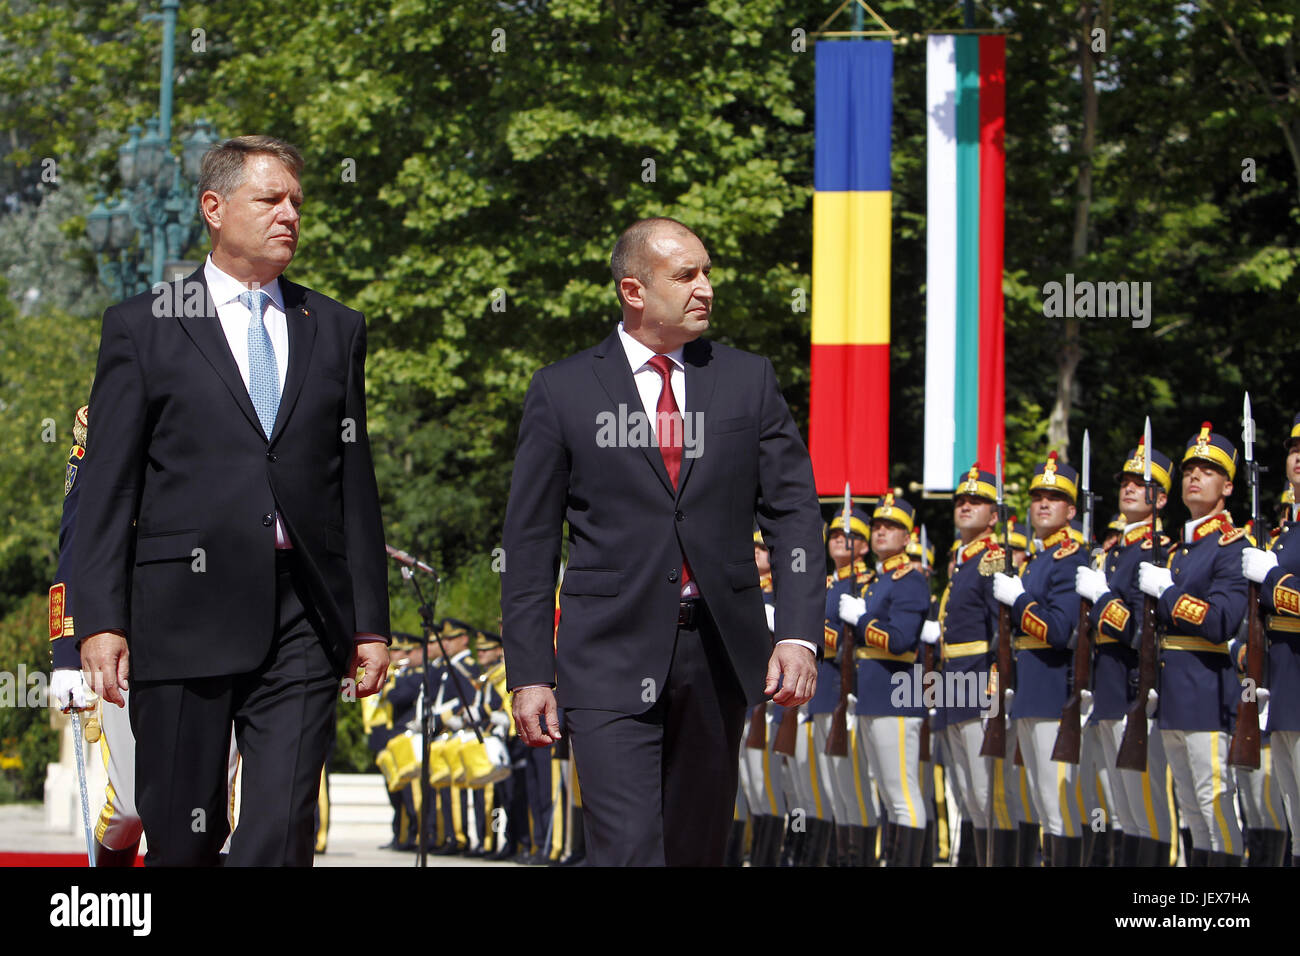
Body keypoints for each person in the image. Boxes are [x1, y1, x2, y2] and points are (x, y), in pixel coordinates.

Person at [71, 135, 391, 866]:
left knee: (281, 829)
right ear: (214, 209)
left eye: (297, 203)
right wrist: (99, 620)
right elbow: (109, 485)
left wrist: (369, 620)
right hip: (179, 614)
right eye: (270, 199)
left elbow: (354, 482)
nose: (289, 215)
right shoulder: (142, 325)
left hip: (304, 615)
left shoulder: (335, 327)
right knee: (184, 838)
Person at [500, 217, 824, 866]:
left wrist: (796, 633)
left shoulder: (748, 382)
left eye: (707, 272)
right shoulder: (562, 391)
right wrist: (530, 672)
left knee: (696, 848)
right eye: (686, 275)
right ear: (633, 291)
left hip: (719, 653)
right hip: (606, 654)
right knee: (626, 850)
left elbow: (794, 515)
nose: (705, 287)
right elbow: (530, 543)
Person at [1137, 423, 1248, 865]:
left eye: (1208, 470)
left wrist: (1167, 593)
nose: (1195, 477)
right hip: (1175, 696)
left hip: (1206, 694)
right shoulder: (1179, 549)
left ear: (1228, 486)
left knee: (1217, 809)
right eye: (1189, 470)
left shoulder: (1230, 545)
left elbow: (1221, 621)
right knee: (1192, 816)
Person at [1074, 436, 1177, 866]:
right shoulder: (1115, 554)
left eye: (1143, 482)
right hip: (1105, 693)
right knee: (1115, 811)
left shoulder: (1158, 552)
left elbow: (1140, 632)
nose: (1130, 487)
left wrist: (1100, 600)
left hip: (1134, 693)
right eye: (1127, 481)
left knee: (1145, 810)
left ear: (1162, 497)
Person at [993, 452, 1088, 866]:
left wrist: (1018, 601)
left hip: (1053, 695)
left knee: (1058, 806)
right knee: (1039, 802)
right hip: (1031, 693)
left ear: (1071, 510)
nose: (1043, 503)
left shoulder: (1070, 558)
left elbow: (1059, 630)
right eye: (1037, 497)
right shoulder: (1035, 561)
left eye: (1054, 497)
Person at [838, 494, 932, 866]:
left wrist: (862, 621)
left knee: (902, 796)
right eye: (877, 526)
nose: (880, 532)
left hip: (896, 697)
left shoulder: (909, 580)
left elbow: (901, 640)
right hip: (873, 696)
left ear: (907, 538)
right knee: (886, 796)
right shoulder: (877, 581)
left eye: (891, 527)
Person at [1240, 412, 1300, 867]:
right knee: (1295, 826)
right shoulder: (1286, 535)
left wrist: (1273, 578)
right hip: (1281, 689)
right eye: (1295, 450)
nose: (1299, 458)